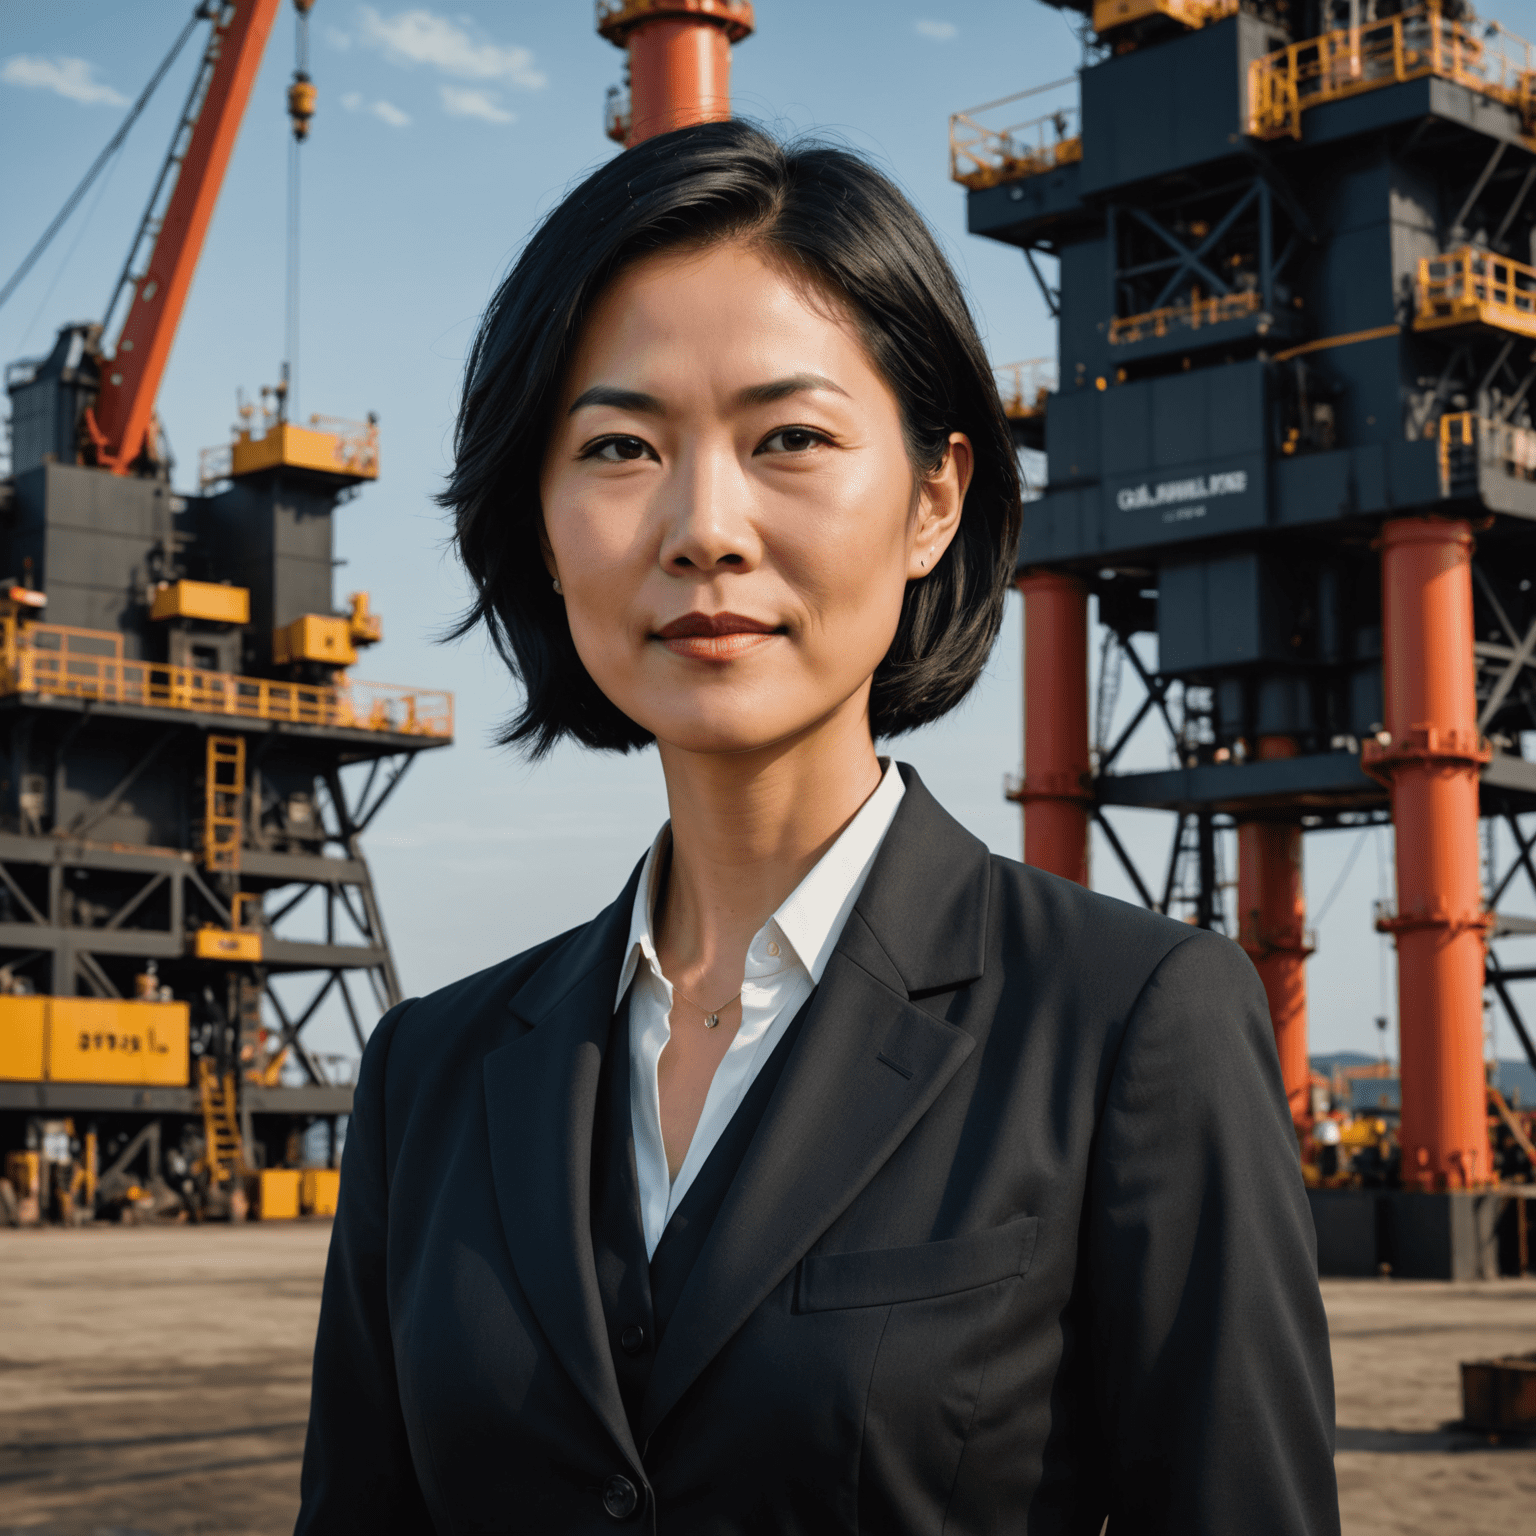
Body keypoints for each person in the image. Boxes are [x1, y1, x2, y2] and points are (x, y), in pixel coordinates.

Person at [296, 121, 1338, 1534]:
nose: (704, 527)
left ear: (934, 499)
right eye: (619, 446)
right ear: (538, 523)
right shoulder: (431, 1074)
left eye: (788, 438)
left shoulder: (1127, 1028)